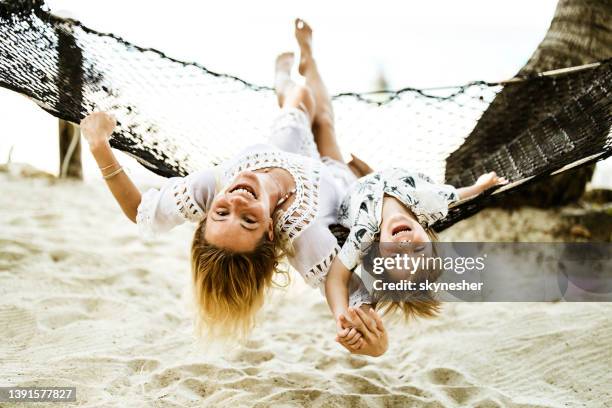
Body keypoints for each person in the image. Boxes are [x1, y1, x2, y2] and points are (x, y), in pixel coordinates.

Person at [80, 19, 380, 341]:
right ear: (269, 229)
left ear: (207, 213)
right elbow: (350, 292)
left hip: (285, 152)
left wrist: (99, 146)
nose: (236, 202)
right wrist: (361, 332)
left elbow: (138, 208)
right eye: (248, 220)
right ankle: (308, 54)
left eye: (221, 214)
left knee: (302, 97)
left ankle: (285, 82)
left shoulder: (211, 187)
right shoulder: (305, 237)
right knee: (325, 124)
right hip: (338, 184)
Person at [325, 169, 508, 356]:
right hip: (382, 170)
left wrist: (341, 317)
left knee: (335, 160)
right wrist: (482, 185)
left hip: (346, 185)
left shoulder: (364, 231)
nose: (406, 245)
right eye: (419, 250)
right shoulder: (432, 204)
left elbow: (336, 278)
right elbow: (459, 194)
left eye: (396, 258)